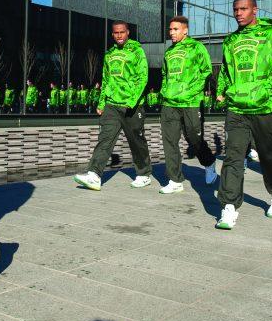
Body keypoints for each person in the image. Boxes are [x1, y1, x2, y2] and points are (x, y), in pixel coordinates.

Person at [214, 0, 272, 230]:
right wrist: (223, 92)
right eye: (235, 9)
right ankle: (228, 206)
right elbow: (226, 71)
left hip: (265, 107)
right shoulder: (230, 41)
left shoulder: (271, 35)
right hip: (237, 108)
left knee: (270, 155)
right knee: (233, 157)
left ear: (255, 10)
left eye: (243, 9)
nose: (238, 13)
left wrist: (266, 90)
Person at [73, 22, 152, 190]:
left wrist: (132, 101)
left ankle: (144, 174)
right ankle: (94, 175)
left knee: (136, 141)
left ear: (128, 33)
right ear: (112, 34)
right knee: (105, 139)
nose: (119, 35)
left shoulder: (137, 51)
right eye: (116, 33)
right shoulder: (109, 54)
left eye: (122, 32)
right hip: (112, 105)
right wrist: (101, 102)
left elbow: (142, 78)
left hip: (132, 106)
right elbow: (106, 80)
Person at [157, 15, 218, 194]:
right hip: (169, 103)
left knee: (194, 138)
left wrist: (191, 91)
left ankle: (209, 162)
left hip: (190, 102)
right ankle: (175, 180)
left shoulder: (196, 47)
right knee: (169, 141)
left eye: (175, 29)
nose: (172, 33)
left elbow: (206, 70)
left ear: (185, 30)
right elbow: (164, 74)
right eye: (170, 30)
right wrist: (165, 91)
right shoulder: (169, 52)